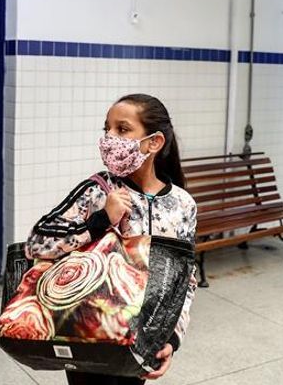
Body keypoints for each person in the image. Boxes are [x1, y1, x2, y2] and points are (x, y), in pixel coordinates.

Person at [26, 94, 197, 385]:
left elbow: (185, 280)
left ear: (154, 142)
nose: (109, 138)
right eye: (107, 129)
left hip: (140, 338)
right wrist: (100, 220)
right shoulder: (97, 191)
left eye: (122, 129)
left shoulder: (183, 204)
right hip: (88, 331)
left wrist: (172, 338)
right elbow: (36, 243)